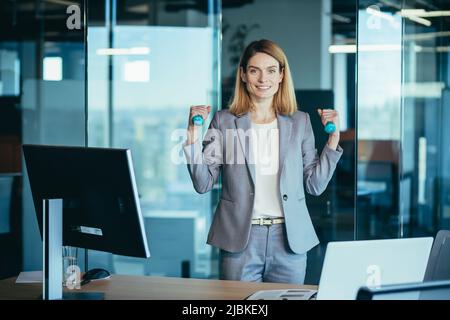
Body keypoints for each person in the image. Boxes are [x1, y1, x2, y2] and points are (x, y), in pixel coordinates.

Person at [183, 39, 342, 284]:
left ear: (281, 76)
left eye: (270, 71)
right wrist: (193, 138)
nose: (262, 79)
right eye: (254, 70)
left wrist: (332, 141)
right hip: (240, 240)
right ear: (243, 75)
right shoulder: (224, 121)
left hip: (289, 240)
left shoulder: (300, 122)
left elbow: (314, 185)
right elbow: (203, 183)